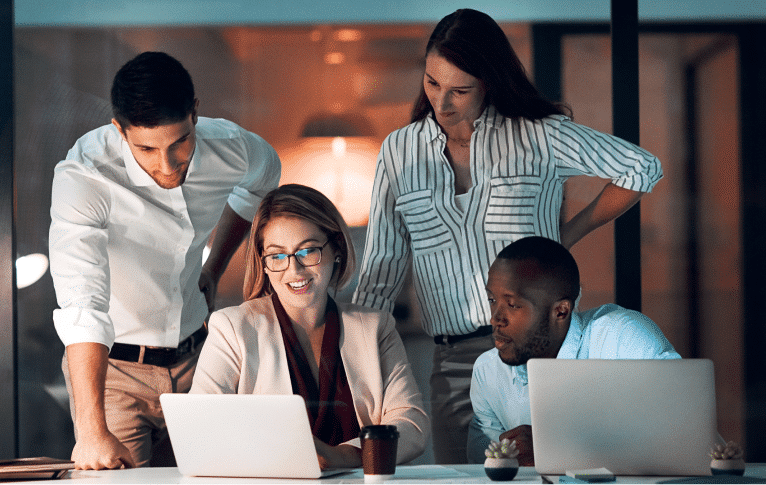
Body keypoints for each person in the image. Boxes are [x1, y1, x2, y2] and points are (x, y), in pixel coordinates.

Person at [352, 8, 663, 464]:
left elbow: (641, 168)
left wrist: (566, 236)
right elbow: (381, 271)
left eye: (460, 90)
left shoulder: (539, 136)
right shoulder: (399, 151)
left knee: (563, 470)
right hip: (454, 364)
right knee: (463, 478)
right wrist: (357, 366)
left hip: (543, 354)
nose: (442, 104)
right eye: (432, 83)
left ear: (490, 82)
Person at [49, 51, 281, 469]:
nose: (167, 164)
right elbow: (82, 304)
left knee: (217, 478)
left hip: (199, 360)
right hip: (114, 371)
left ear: (195, 113)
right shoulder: (84, 178)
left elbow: (261, 184)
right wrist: (90, 431)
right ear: (119, 129)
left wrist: (215, 267)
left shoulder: (233, 148)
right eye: (147, 148)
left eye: (179, 143)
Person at [191, 184, 429, 469]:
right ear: (264, 264)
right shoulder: (232, 328)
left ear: (337, 249)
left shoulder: (375, 327)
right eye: (277, 256)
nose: (294, 270)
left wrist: (343, 456)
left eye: (308, 251)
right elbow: (203, 428)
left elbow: (411, 424)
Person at [466, 236, 680, 465]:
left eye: (513, 305)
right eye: (491, 299)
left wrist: (554, 447)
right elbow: (485, 470)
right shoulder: (488, 371)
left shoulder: (622, 337)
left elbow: (683, 428)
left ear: (560, 311)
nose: (495, 318)